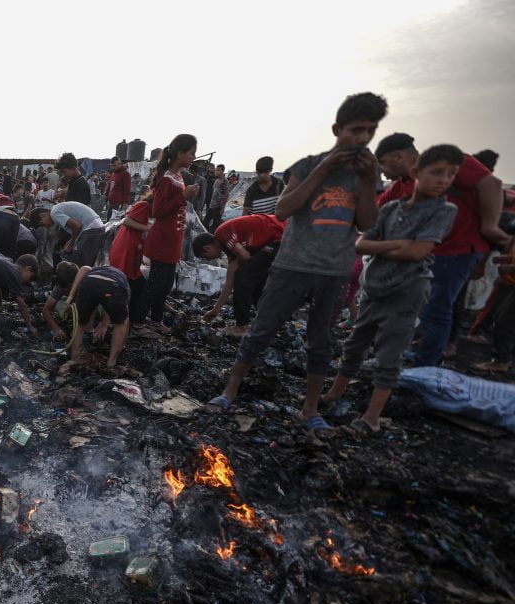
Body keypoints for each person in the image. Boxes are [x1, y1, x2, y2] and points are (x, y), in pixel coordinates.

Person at [207, 92, 387, 433]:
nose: (363, 138)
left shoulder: (368, 173)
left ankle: (310, 408)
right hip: (292, 265)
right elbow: (284, 208)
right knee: (261, 329)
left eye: (370, 131)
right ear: (337, 129)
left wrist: (366, 182)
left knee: (321, 341)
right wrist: (324, 169)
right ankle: (229, 391)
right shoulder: (307, 166)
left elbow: (367, 222)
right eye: (356, 130)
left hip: (334, 270)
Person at [321, 145, 460, 433]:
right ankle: (333, 394)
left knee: (389, 355)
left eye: (451, 174)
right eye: (437, 172)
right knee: (355, 345)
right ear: (416, 173)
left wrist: (385, 248)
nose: (443, 180)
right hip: (375, 288)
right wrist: (397, 245)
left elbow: (417, 252)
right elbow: (361, 244)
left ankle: (372, 416)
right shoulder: (392, 208)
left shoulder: (444, 210)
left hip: (406, 291)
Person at [376, 133, 510, 367]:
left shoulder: (445, 161)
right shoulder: (402, 185)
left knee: (437, 309)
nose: (383, 172)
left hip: (457, 250)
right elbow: (374, 214)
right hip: (429, 254)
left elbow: (492, 184)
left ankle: (427, 363)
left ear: (399, 157)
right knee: (423, 307)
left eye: (383, 165)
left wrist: (489, 225)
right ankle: (422, 351)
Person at [194, 214, 287, 337]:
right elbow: (229, 282)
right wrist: (216, 310)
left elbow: (245, 257)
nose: (208, 260)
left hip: (281, 235)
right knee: (255, 281)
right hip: (277, 239)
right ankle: (270, 323)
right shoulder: (228, 248)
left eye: (205, 257)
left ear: (207, 248)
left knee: (243, 276)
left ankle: (242, 327)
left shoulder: (221, 233)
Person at [143, 135, 200, 334]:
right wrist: (183, 196)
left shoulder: (178, 176)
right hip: (163, 241)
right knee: (156, 285)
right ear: (180, 154)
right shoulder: (167, 178)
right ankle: (139, 322)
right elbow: (158, 211)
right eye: (191, 153)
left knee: (165, 285)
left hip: (172, 240)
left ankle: (155, 320)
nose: (194, 157)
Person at [44, 261, 130, 368]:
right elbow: (119, 312)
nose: (66, 290)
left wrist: (104, 324)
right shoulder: (64, 283)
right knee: (121, 323)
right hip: (110, 287)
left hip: (92, 286)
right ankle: (111, 363)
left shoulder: (85, 275)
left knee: (79, 325)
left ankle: (74, 359)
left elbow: (85, 268)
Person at [108, 194, 153, 334]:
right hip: (125, 252)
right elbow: (126, 221)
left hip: (131, 253)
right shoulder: (144, 205)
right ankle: (126, 321)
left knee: (135, 286)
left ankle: (127, 320)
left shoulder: (147, 210)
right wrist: (148, 228)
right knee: (131, 286)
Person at [28, 201, 105, 267]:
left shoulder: (54, 214)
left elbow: (77, 226)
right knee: (87, 262)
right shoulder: (57, 208)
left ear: (43, 215)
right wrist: (72, 240)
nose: (46, 227)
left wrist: (71, 244)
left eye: (43, 225)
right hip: (97, 227)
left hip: (91, 228)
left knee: (78, 263)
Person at [204, 164, 229, 231]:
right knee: (205, 222)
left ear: (222, 171)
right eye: (216, 170)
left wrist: (223, 207)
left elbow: (226, 195)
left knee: (215, 225)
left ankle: (214, 236)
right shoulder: (217, 180)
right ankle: (207, 234)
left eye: (218, 170)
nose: (216, 172)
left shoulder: (225, 181)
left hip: (218, 206)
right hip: (212, 205)